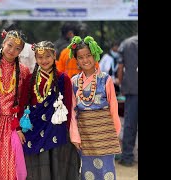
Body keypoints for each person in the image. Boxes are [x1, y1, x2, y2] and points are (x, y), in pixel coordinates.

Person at [17, 41, 80, 180]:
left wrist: (68, 131)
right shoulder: (29, 79)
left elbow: (68, 106)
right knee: (37, 168)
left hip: (56, 129)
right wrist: (19, 128)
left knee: (57, 167)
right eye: (40, 57)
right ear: (35, 58)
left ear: (54, 56)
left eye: (47, 56)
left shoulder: (63, 79)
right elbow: (22, 105)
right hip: (33, 129)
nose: (44, 60)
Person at [68, 36, 122, 180]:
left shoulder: (106, 79)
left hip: (105, 133)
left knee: (107, 171)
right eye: (81, 57)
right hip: (84, 133)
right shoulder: (73, 81)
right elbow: (72, 111)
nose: (85, 60)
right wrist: (75, 136)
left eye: (88, 56)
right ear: (77, 60)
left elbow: (113, 108)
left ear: (95, 55)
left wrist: (114, 132)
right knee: (87, 171)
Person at [0, 30, 30, 180]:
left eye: (17, 48)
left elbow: (24, 101)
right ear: (3, 44)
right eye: (10, 45)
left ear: (21, 51)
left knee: (12, 162)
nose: (12, 50)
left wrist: (19, 127)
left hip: (13, 122)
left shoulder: (24, 71)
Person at [117, 35, 138, 167]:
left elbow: (120, 67)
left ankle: (127, 157)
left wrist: (121, 84)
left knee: (130, 124)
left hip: (132, 89)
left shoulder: (126, 43)